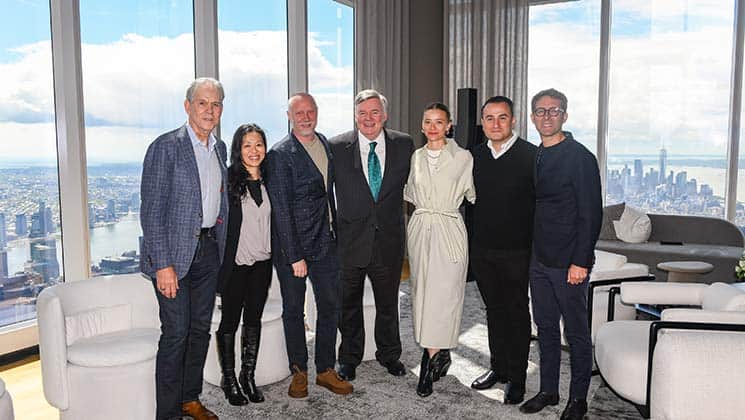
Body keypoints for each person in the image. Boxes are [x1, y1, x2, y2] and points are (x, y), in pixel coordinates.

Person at [140, 77, 227, 420]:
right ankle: (168, 414)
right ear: (187, 106)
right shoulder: (166, 147)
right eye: (203, 103)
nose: (209, 110)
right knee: (175, 333)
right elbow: (152, 210)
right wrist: (163, 264)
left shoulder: (218, 148)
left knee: (199, 329)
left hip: (208, 253)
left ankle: (190, 398)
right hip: (173, 259)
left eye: (216, 104)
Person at [519, 88, 602, 420]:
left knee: (577, 333)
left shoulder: (580, 157)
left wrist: (581, 261)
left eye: (554, 111)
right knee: (545, 328)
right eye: (540, 111)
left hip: (569, 263)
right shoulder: (536, 154)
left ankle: (578, 398)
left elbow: (591, 213)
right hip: (538, 259)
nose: (547, 117)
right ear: (533, 117)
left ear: (565, 115)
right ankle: (549, 390)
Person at [264, 92, 352, 398]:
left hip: (326, 241)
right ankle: (299, 371)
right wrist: (294, 255)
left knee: (330, 305)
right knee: (293, 310)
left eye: (310, 111)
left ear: (316, 113)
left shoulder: (324, 143)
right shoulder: (279, 154)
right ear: (289, 117)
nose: (305, 117)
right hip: (294, 249)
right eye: (298, 112)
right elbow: (281, 210)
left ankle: (325, 369)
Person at [330, 89, 414, 381]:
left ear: (385, 115)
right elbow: (327, 194)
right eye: (363, 113)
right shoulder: (336, 147)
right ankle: (349, 358)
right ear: (355, 116)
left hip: (388, 243)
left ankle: (390, 355)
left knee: (389, 304)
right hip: (350, 243)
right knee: (348, 305)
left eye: (375, 112)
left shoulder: (404, 145)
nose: (369, 118)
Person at [404, 102, 475, 398]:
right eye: (428, 121)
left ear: (449, 126)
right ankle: (438, 353)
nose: (433, 127)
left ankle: (430, 358)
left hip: (449, 228)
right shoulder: (416, 157)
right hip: (421, 228)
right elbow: (410, 192)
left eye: (439, 122)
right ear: (422, 126)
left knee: (445, 295)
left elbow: (471, 195)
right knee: (422, 292)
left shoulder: (463, 157)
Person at [469, 96, 536, 405]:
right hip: (482, 250)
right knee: (493, 311)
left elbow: (542, 207)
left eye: (502, 118)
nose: (496, 124)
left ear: (513, 121)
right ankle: (499, 369)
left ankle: (518, 378)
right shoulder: (473, 157)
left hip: (517, 252)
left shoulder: (532, 157)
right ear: (482, 123)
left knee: (517, 313)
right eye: (489, 118)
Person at [215, 124, 272, 406]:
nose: (253, 151)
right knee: (230, 321)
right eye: (247, 145)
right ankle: (229, 379)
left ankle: (247, 376)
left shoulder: (271, 179)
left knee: (253, 320)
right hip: (235, 265)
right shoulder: (227, 181)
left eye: (258, 144)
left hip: (263, 264)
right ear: (238, 149)